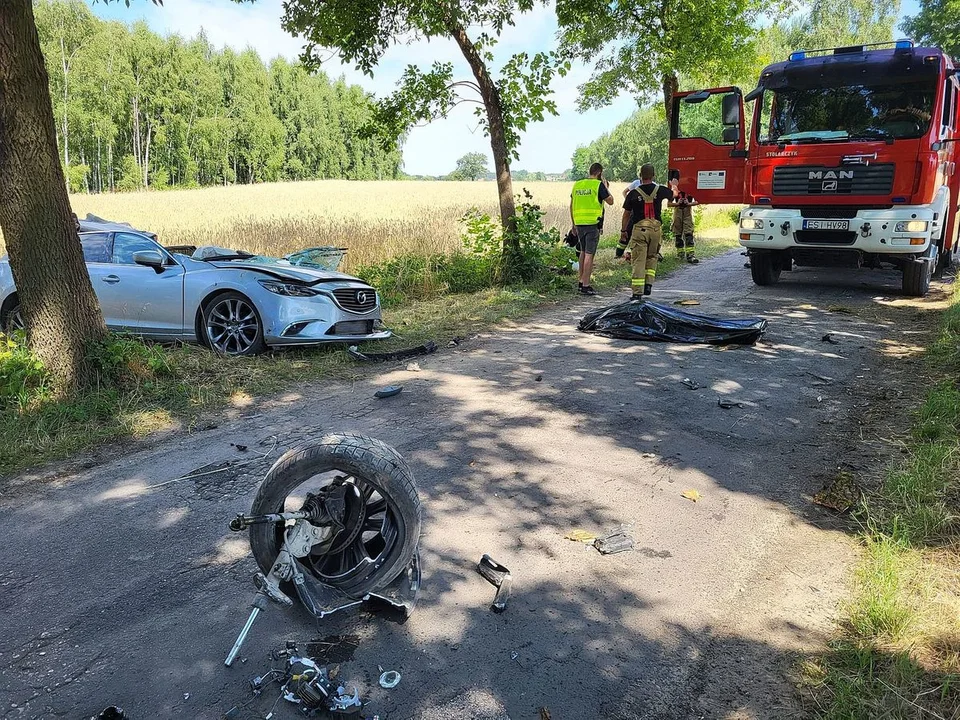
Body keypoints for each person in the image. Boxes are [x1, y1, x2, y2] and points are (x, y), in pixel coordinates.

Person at [616, 164, 676, 299]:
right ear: (653, 176)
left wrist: (624, 230)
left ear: (640, 176)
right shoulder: (660, 190)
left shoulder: (633, 193)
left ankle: (637, 292)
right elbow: (674, 195)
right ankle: (648, 284)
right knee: (652, 257)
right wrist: (674, 185)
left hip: (639, 230)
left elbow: (626, 214)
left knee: (638, 260)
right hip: (655, 230)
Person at [570, 162, 614, 296]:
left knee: (583, 252)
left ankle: (580, 281)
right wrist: (606, 188)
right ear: (599, 173)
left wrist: (573, 224)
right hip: (592, 223)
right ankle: (586, 285)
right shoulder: (598, 185)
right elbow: (611, 201)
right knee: (589, 254)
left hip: (579, 223)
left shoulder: (577, 185)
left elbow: (571, 205)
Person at [668, 188, 699, 264]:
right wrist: (677, 203)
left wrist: (689, 203)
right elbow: (669, 204)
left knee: (688, 232)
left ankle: (691, 255)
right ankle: (680, 254)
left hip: (687, 211)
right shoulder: (675, 190)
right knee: (677, 233)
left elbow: (698, 201)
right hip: (677, 211)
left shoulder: (692, 189)